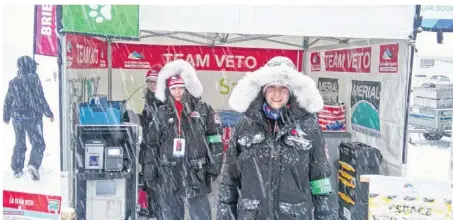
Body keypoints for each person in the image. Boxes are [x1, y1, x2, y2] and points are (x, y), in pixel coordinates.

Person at [217, 56, 338, 220]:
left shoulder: (309, 127)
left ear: (292, 91)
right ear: (263, 90)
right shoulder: (245, 125)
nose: (276, 94)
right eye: (271, 87)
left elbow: (321, 181)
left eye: (283, 88)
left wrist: (326, 216)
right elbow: (229, 179)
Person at [144, 59, 223, 220]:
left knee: (201, 213)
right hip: (169, 172)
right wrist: (150, 173)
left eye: (181, 87)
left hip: (196, 171)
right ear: (168, 89)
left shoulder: (203, 109)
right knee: (171, 213)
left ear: (187, 87)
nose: (178, 92)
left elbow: (215, 139)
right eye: (173, 88)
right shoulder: (161, 112)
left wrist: (213, 167)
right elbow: (152, 144)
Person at [3, 55, 54, 181]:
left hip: (18, 118)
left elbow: (8, 100)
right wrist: (49, 113)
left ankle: (17, 168)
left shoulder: (14, 81)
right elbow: (40, 99)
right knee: (38, 143)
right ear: (31, 66)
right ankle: (33, 164)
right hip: (32, 117)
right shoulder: (34, 80)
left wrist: (6, 116)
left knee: (19, 143)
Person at [140, 65, 163, 219]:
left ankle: (159, 213)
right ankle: (152, 212)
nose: (152, 85)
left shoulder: (164, 98)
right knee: (149, 181)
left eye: (155, 81)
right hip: (148, 146)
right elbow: (147, 118)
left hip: (160, 147)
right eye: (150, 82)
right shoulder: (148, 97)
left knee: (160, 182)